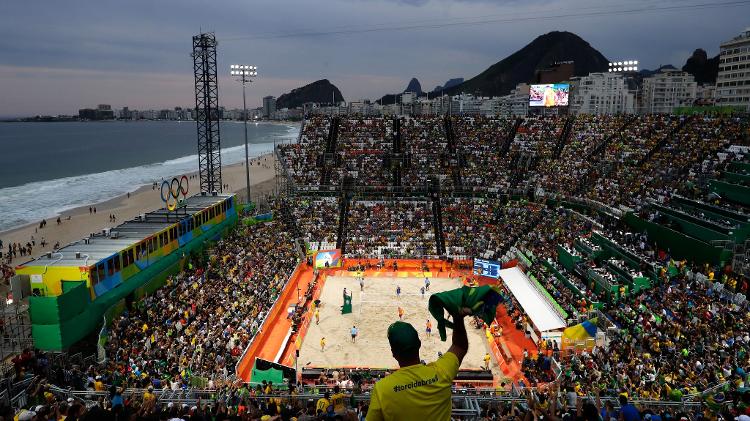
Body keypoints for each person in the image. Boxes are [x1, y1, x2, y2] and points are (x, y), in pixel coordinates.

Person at [366, 307, 471, 421]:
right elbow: (460, 346)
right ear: (419, 344)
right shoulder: (441, 372)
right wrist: (458, 318)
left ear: (393, 353)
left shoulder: (382, 389)